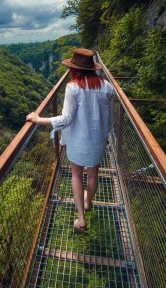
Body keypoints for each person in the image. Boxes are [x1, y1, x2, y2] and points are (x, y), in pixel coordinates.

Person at [26, 48, 114, 232]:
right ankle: (88, 202)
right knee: (92, 173)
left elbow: (66, 119)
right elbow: (108, 115)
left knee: (76, 174)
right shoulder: (106, 86)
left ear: (75, 69)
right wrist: (106, 136)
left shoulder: (73, 88)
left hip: (78, 141)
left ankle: (81, 219)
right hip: (98, 138)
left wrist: (38, 119)